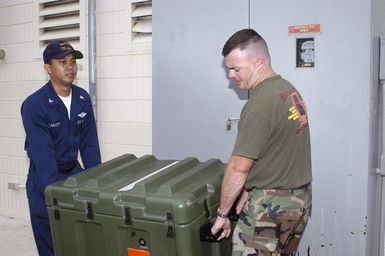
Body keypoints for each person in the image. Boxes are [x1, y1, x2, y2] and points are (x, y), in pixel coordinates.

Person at [211, 29, 312, 256]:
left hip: (270, 208)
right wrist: (248, 189)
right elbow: (275, 150)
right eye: (229, 69)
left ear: (259, 62)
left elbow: (238, 167)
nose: (231, 75)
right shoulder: (287, 91)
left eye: (237, 69)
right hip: (298, 202)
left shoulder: (259, 105)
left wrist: (222, 214)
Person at [21, 40, 101, 256]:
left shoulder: (82, 98)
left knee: (80, 239)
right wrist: (55, 197)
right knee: (51, 242)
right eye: (62, 62)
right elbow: (43, 156)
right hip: (44, 179)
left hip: (73, 172)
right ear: (48, 68)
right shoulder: (34, 105)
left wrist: (96, 183)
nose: (70, 67)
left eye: (73, 62)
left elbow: (90, 145)